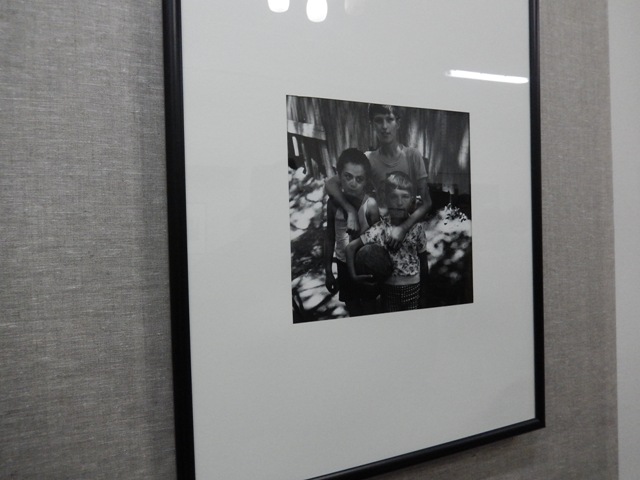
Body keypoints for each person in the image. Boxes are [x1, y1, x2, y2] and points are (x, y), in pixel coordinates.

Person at [325, 104, 432, 251]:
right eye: (378, 120)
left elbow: (427, 202)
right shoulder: (369, 159)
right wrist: (350, 210)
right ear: (371, 124)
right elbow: (331, 183)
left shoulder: (412, 156)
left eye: (390, 120)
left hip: (409, 229)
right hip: (381, 231)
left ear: (398, 123)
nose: (384, 126)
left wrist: (403, 228)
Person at [346, 172, 428, 312]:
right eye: (394, 197)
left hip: (414, 287)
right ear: (386, 199)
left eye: (405, 196)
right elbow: (350, 248)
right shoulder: (381, 228)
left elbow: (423, 259)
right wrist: (353, 276)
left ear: (412, 200)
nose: (399, 202)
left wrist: (424, 293)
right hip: (388, 290)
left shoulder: (417, 228)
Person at [324, 148, 380, 316]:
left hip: (365, 265)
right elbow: (329, 237)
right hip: (343, 265)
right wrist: (328, 272)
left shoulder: (370, 205)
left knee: (370, 308)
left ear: (366, 181)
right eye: (347, 176)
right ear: (339, 176)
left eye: (359, 179)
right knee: (352, 306)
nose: (352, 183)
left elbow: (379, 241)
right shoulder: (333, 204)